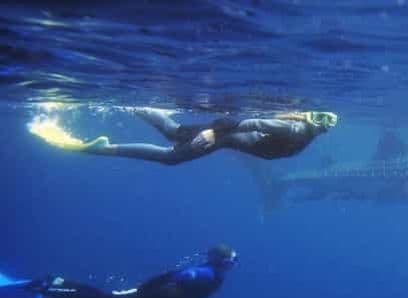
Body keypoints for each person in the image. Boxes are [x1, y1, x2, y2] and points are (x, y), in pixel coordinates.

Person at [30, 108, 338, 165]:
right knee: (171, 155)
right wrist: (213, 132)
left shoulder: (303, 131)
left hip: (225, 137)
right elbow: (247, 122)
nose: (323, 128)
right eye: (322, 121)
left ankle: (137, 107)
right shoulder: (294, 129)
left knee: (174, 135)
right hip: (222, 135)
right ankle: (103, 148)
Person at [20, 244, 239, 298]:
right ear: (219, 261)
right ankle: (46, 287)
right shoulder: (207, 273)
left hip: (152, 297)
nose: (232, 265)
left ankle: (56, 282)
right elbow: (181, 276)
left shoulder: (212, 274)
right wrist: (144, 292)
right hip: (150, 297)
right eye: (230, 261)